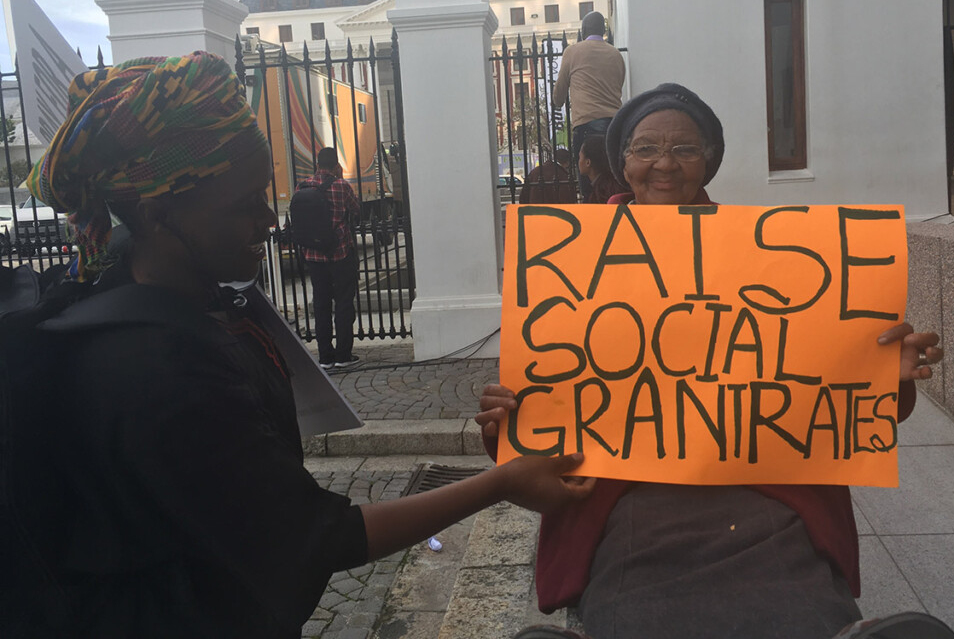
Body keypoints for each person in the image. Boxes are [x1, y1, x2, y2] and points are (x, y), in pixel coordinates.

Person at [7, 52, 592, 638]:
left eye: (265, 195)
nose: (269, 220)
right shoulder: (155, 368)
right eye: (245, 205)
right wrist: (501, 483)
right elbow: (318, 538)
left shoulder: (151, 294)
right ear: (158, 214)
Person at [477, 83, 947, 639]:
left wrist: (886, 378)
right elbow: (551, 418)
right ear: (623, 162)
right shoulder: (572, 258)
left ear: (709, 161)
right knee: (636, 610)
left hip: (765, 488)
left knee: (799, 602)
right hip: (627, 497)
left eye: (685, 149)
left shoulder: (770, 255)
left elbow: (858, 412)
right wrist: (513, 418)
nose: (664, 164)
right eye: (645, 148)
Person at [296, 146, 360, 369]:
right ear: (336, 166)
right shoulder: (341, 186)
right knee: (343, 302)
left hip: (314, 255)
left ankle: (325, 357)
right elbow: (356, 209)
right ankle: (343, 355)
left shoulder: (303, 186)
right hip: (340, 253)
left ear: (317, 165)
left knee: (321, 304)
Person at [552, 11, 625, 200]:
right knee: (614, 184)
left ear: (583, 30)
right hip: (614, 127)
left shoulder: (572, 52)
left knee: (589, 189)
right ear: (604, 30)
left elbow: (559, 96)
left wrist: (560, 97)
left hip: (587, 126)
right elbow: (619, 84)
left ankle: (594, 216)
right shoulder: (616, 54)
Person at [577, 134, 627, 204]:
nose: (578, 161)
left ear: (588, 162)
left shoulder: (600, 194)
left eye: (580, 157)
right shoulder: (614, 184)